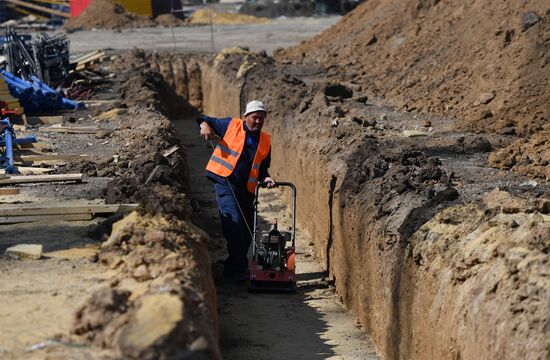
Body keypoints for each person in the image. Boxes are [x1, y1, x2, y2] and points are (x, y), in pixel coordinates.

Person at [197, 100, 276, 281]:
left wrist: (266, 178)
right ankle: (240, 270)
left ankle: (231, 267)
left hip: (246, 189)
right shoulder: (231, 125)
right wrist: (204, 126)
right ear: (246, 117)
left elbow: (262, 168)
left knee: (247, 231)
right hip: (225, 182)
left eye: (261, 119)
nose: (258, 122)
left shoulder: (265, 141)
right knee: (234, 220)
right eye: (255, 118)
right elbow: (203, 118)